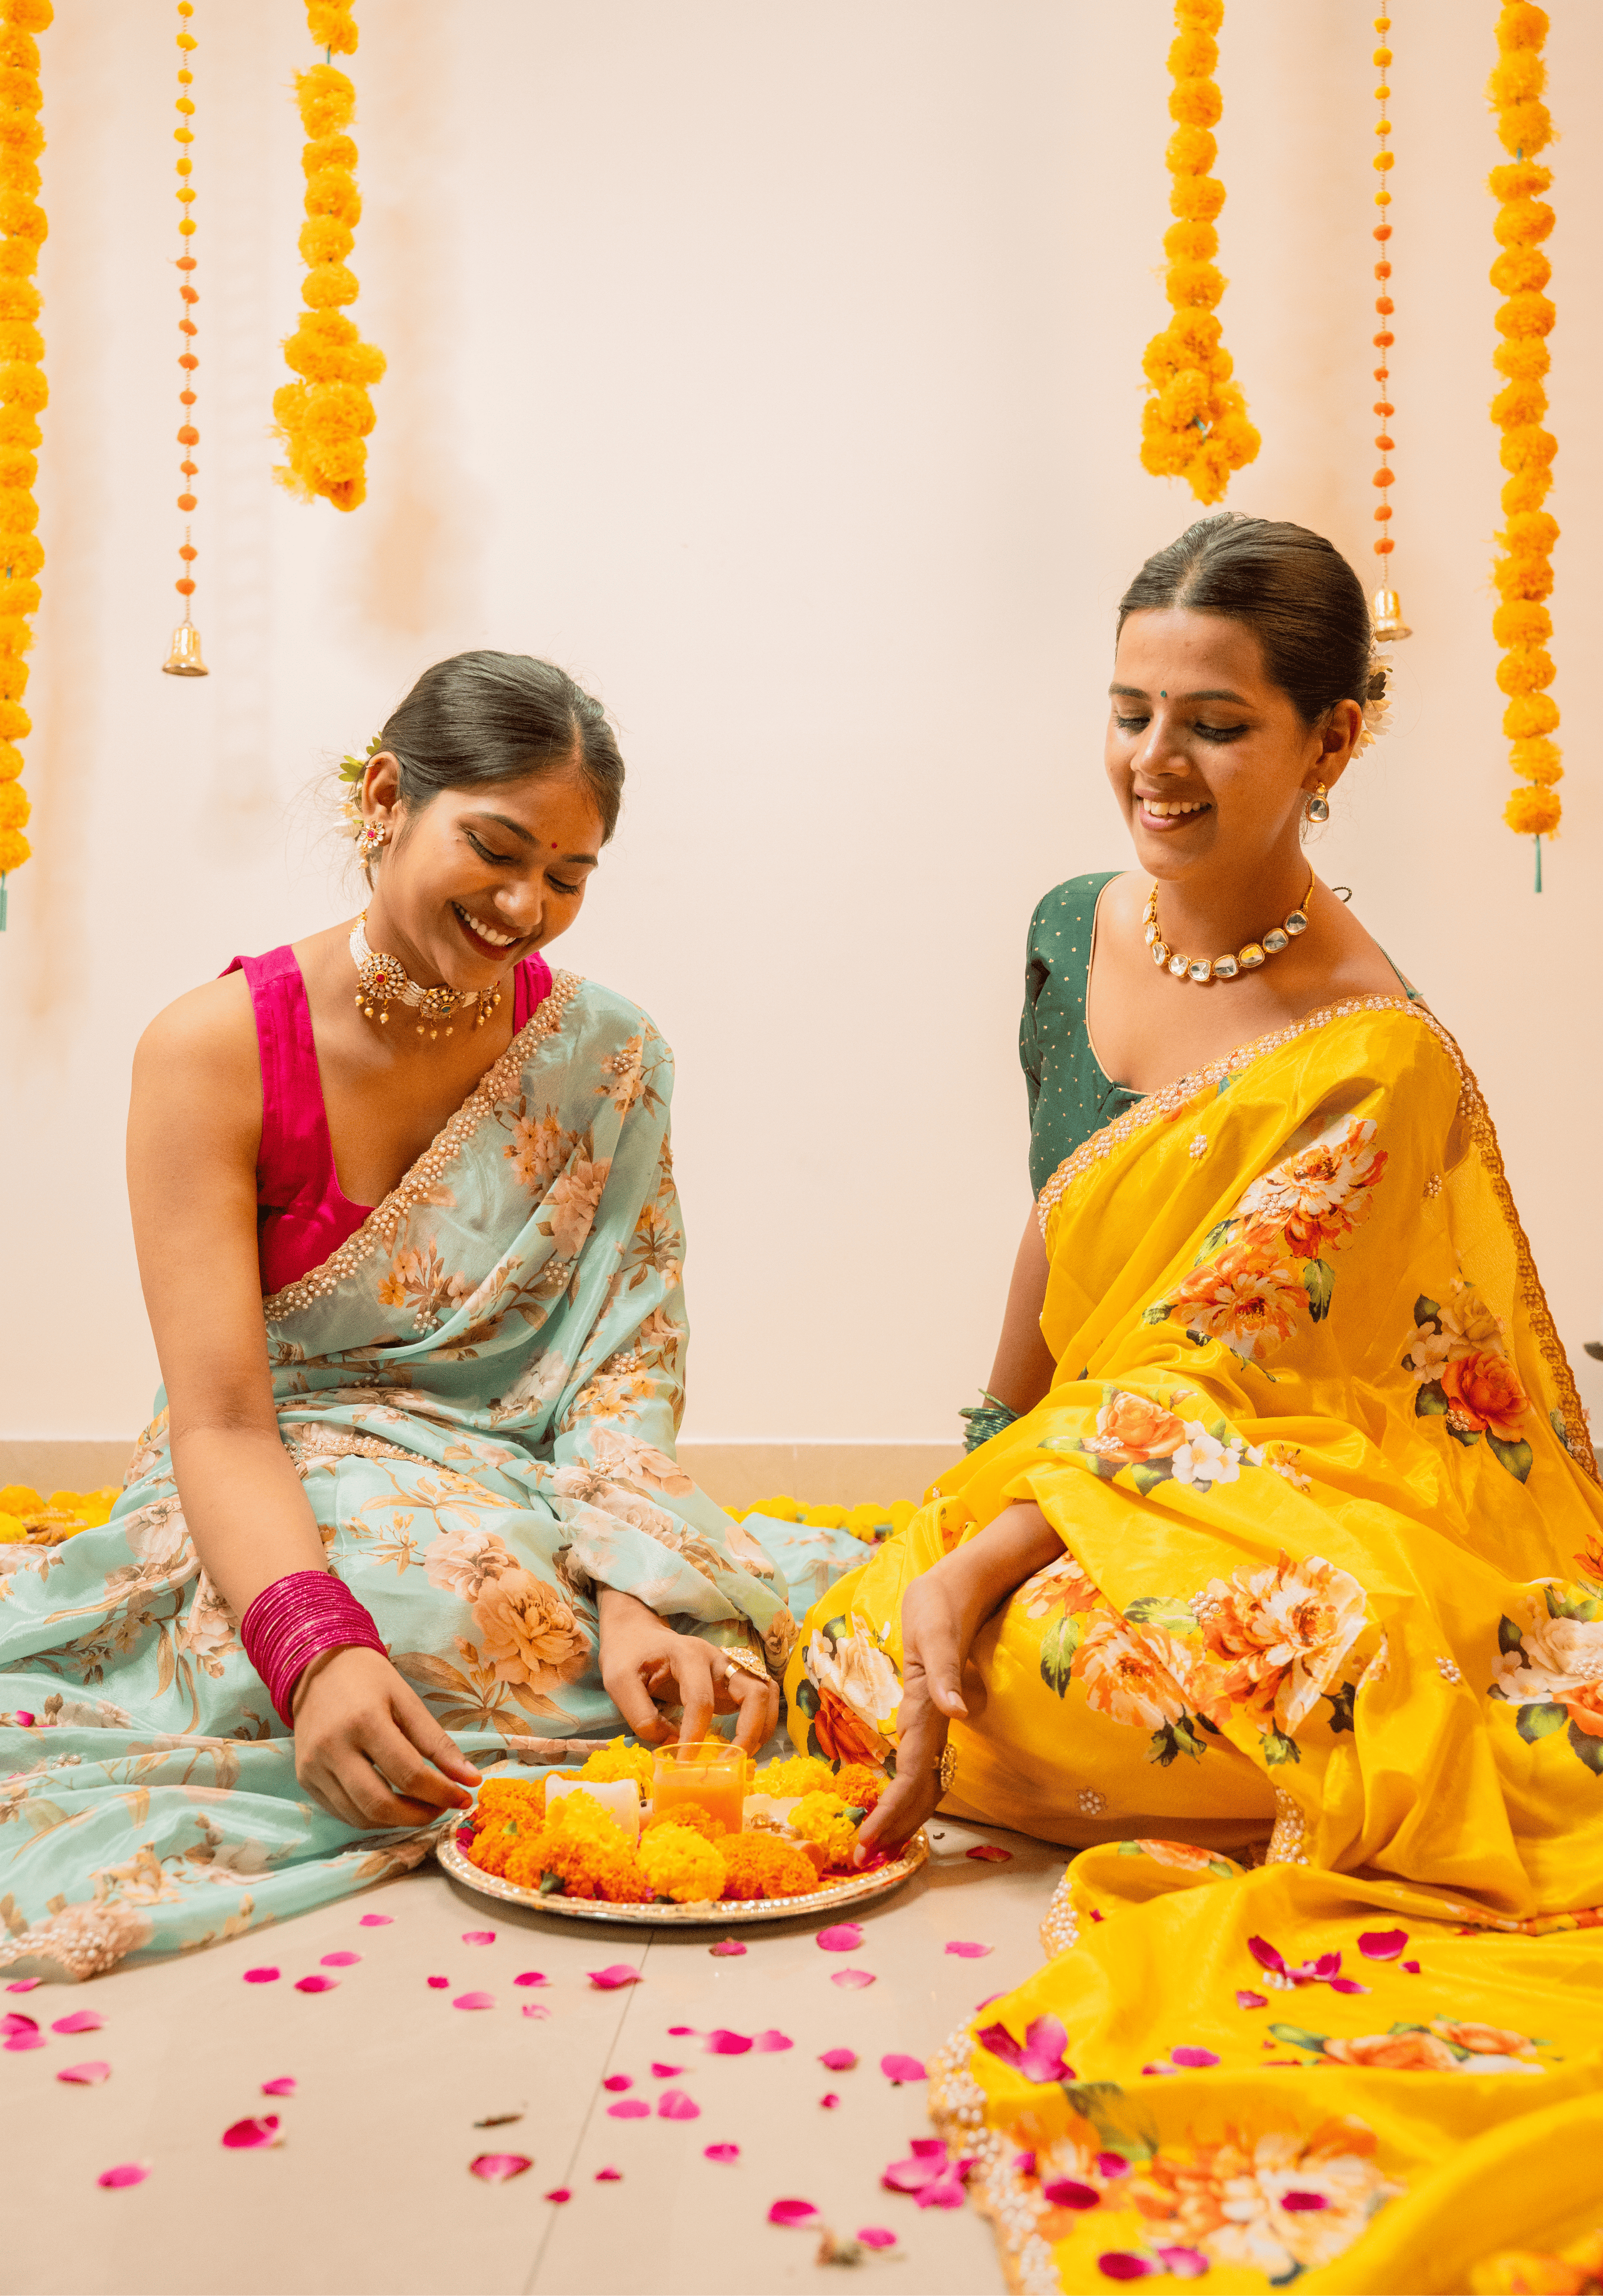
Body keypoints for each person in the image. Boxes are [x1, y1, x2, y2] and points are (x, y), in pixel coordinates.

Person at [783, 517, 1603, 2287]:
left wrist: (989, 1549)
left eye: (1217, 723)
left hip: (1284, 1484)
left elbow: (1238, 1371)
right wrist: (979, 1475)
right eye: (1130, 709)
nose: (1155, 764)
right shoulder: (1069, 932)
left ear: (1335, 738)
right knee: (873, 1644)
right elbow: (1065, 1209)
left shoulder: (1369, 1041)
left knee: (1281, 1671)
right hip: (1087, 1471)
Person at [0, 650, 851, 1981]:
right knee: (424, 1605)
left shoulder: (609, 1056)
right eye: (498, 850)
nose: (527, 905)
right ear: (388, 799)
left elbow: (621, 1371)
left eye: (569, 878)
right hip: (280, 1468)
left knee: (740, 1643)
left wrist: (636, 1593)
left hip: (519, 1482)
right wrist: (308, 1648)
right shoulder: (208, 1053)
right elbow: (221, 1421)